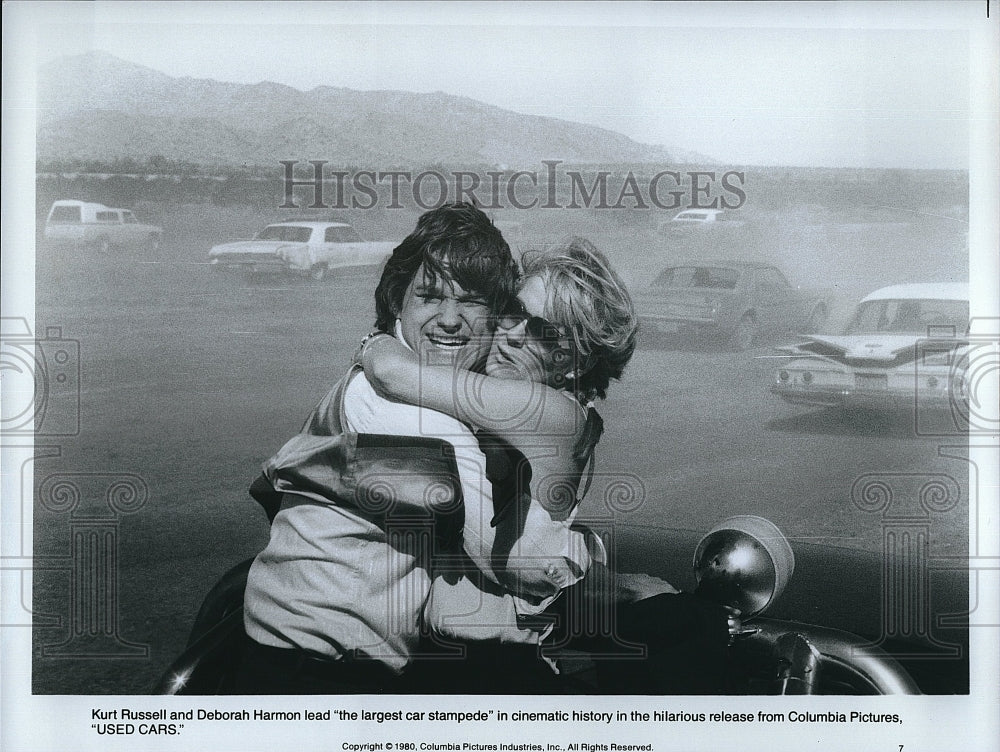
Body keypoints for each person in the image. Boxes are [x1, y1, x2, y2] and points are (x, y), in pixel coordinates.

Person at [235, 203, 591, 693]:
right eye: (429, 296)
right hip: (317, 671)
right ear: (396, 302)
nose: (450, 320)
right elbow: (516, 566)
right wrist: (587, 553)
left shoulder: (394, 376)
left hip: (304, 648)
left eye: (472, 301)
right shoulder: (416, 417)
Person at [359, 238, 730, 694]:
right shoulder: (530, 408)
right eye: (514, 312)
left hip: (492, 670)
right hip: (449, 658)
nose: (514, 334)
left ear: (575, 363)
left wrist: (377, 340)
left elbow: (394, 374)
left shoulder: (553, 413)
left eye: (543, 332)